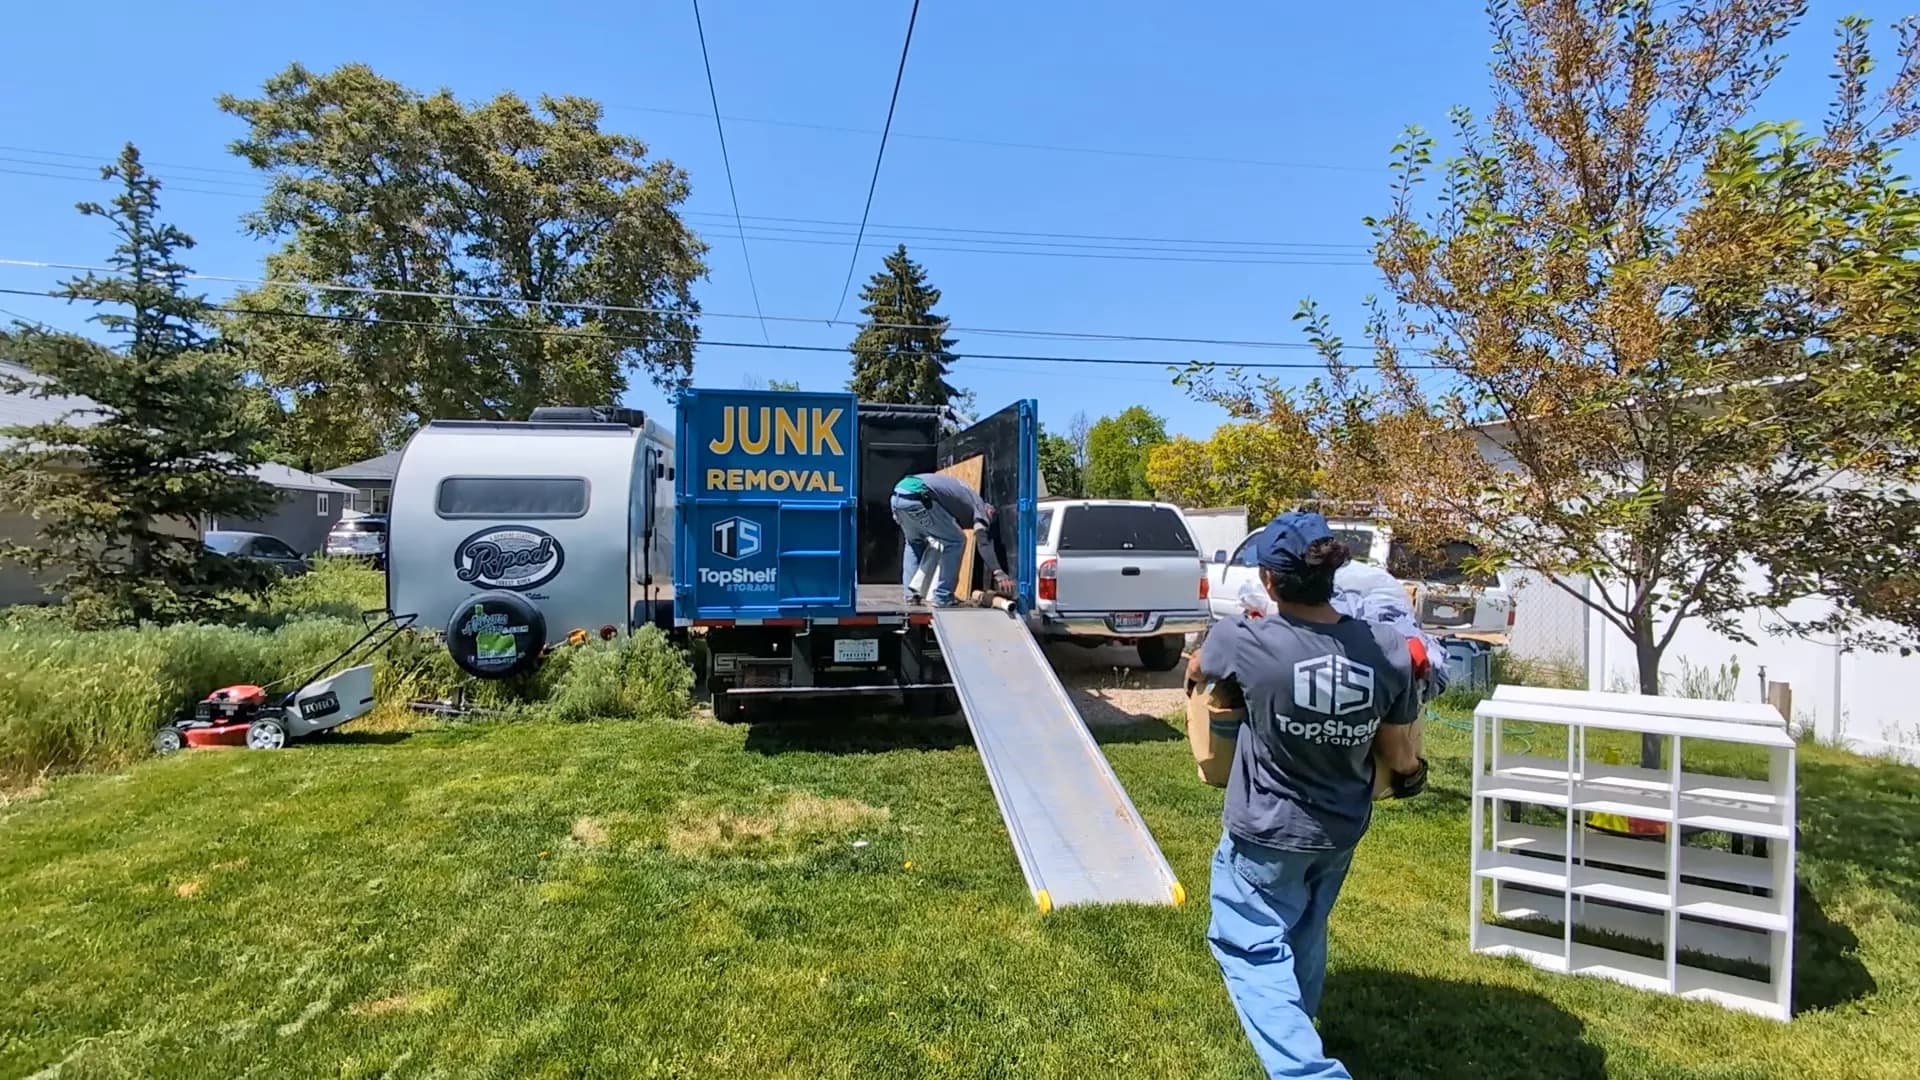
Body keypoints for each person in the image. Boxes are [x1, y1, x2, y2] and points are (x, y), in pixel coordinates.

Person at [1188, 511, 1427, 1079]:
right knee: (1305, 928)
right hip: (1341, 826)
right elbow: (1399, 754)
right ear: (1332, 576)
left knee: (1249, 947)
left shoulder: (1243, 640)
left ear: (1269, 582)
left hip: (1266, 829)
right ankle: (1301, 1022)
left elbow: (1200, 669)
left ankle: (1307, 1071)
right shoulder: (1387, 648)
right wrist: (1413, 775)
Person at [891, 472, 1010, 606]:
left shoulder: (961, 499)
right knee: (956, 541)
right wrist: (998, 572)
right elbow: (982, 541)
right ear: (990, 512)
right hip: (919, 497)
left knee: (914, 542)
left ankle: (911, 596)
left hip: (898, 496)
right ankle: (943, 597)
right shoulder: (980, 507)